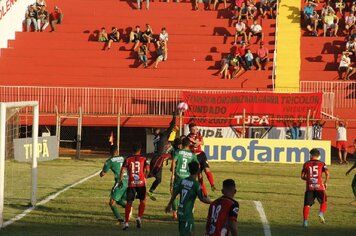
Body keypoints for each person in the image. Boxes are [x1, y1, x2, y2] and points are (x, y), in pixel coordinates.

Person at [165, 161, 212, 236]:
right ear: (198, 170)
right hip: (187, 214)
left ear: (189, 170)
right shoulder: (196, 185)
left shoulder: (183, 181)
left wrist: (169, 204)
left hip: (180, 212)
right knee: (191, 234)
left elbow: (175, 193)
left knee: (184, 233)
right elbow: (202, 198)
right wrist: (212, 202)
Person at [119, 143, 150, 230]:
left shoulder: (128, 159)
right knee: (143, 201)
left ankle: (126, 223)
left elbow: (122, 170)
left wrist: (120, 180)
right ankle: (139, 217)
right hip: (141, 183)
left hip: (131, 183)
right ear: (140, 150)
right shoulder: (144, 159)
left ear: (132, 150)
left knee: (129, 202)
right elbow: (148, 169)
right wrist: (145, 177)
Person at [147, 112, 177, 200]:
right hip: (158, 158)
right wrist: (174, 117)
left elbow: (171, 127)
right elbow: (172, 126)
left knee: (158, 179)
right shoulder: (163, 135)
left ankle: (150, 191)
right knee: (153, 175)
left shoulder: (156, 138)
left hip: (157, 158)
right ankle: (137, 179)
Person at [169, 137, 199, 219]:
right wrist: (194, 175)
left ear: (182, 144)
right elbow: (197, 165)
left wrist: (172, 174)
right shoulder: (192, 155)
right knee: (185, 194)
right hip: (187, 177)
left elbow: (174, 161)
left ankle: (174, 213)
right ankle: (184, 211)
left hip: (178, 175)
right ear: (189, 144)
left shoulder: (178, 152)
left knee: (174, 193)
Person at [301, 148, 329, 227]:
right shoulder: (322, 164)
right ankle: (321, 213)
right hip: (319, 187)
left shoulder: (306, 164)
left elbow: (302, 176)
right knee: (323, 201)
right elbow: (327, 173)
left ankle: (305, 222)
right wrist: (325, 182)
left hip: (309, 187)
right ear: (318, 156)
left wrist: (308, 179)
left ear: (311, 155)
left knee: (307, 205)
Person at [100, 145, 128, 224]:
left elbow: (103, 173)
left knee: (112, 202)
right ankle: (128, 207)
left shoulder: (110, 161)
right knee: (118, 200)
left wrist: (101, 173)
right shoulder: (124, 158)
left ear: (110, 152)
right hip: (128, 182)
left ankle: (120, 220)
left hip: (120, 182)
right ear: (117, 151)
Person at [187, 123, 216, 197]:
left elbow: (202, 142)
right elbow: (188, 147)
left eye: (196, 129)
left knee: (207, 170)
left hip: (201, 155)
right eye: (193, 129)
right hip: (194, 157)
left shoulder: (198, 135)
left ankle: (212, 184)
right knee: (199, 176)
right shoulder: (188, 137)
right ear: (190, 130)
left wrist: (198, 142)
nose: (195, 130)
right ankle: (205, 194)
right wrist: (192, 145)